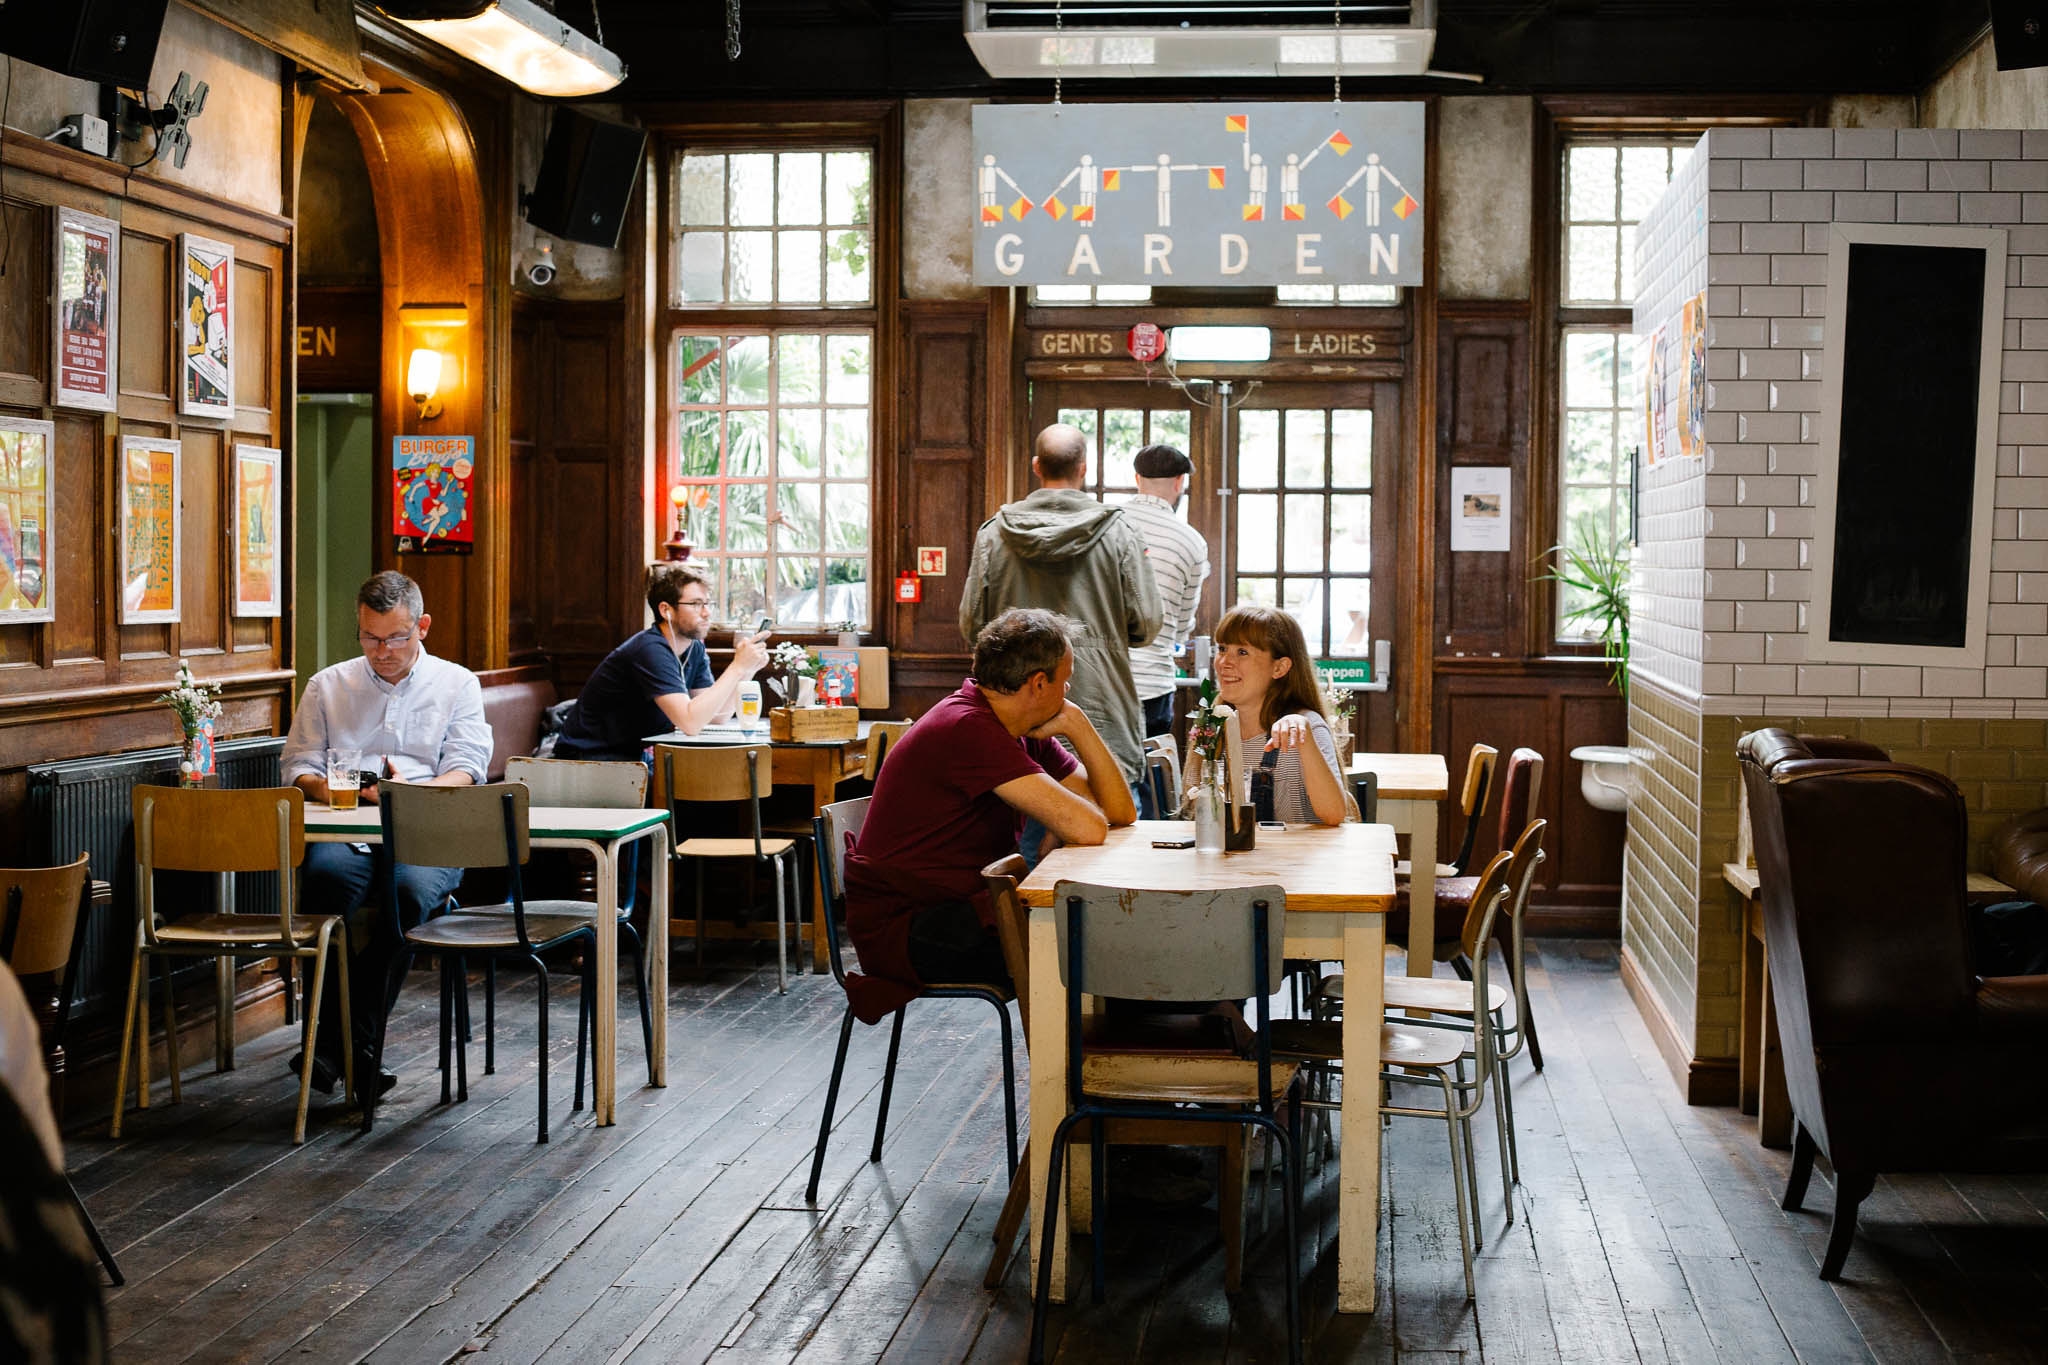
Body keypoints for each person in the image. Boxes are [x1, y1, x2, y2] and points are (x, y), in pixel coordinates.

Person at [841, 609, 1136, 1021]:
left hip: (956, 910)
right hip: (910, 929)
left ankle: (1113, 1050)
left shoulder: (1015, 725)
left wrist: (1079, 725)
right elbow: (1089, 827)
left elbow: (1119, 811)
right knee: (1088, 949)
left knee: (1102, 941)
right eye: (1066, 681)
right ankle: (1095, 1058)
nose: (1068, 692)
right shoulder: (968, 727)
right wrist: (1071, 815)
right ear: (1038, 683)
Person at [279, 571, 494, 1097]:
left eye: (395, 637)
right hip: (347, 826)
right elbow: (298, 768)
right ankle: (354, 1049)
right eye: (370, 638)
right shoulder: (327, 685)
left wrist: (412, 794)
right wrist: (343, 788)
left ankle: (337, 1044)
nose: (382, 652)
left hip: (428, 826)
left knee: (408, 895)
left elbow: (468, 767)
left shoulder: (457, 683)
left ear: (422, 626)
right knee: (325, 886)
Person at [958, 423, 1161, 838]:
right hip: (1104, 715)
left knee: (1025, 852)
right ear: (1083, 468)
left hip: (1017, 722)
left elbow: (971, 626)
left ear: (1037, 466)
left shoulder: (995, 533)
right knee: (1113, 845)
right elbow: (1147, 623)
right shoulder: (1118, 531)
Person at [553, 563, 772, 759]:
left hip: (628, 756)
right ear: (666, 610)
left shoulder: (693, 647)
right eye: (696, 604)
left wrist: (748, 670)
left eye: (708, 603)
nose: (706, 613)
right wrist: (737, 667)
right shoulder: (649, 649)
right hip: (587, 758)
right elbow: (690, 723)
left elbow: (716, 716)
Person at [1193, 604, 1349, 827]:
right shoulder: (1210, 726)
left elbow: (1334, 814)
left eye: (1242, 652)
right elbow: (1191, 810)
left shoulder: (1306, 728)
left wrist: (1305, 738)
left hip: (1297, 851)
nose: (1224, 662)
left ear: (1279, 668)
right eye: (1222, 649)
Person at [1121, 442, 1212, 743]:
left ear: (1137, 478)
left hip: (1100, 681)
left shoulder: (1106, 523)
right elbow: (1181, 627)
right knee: (1150, 768)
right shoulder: (1191, 541)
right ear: (1179, 482)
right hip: (1153, 684)